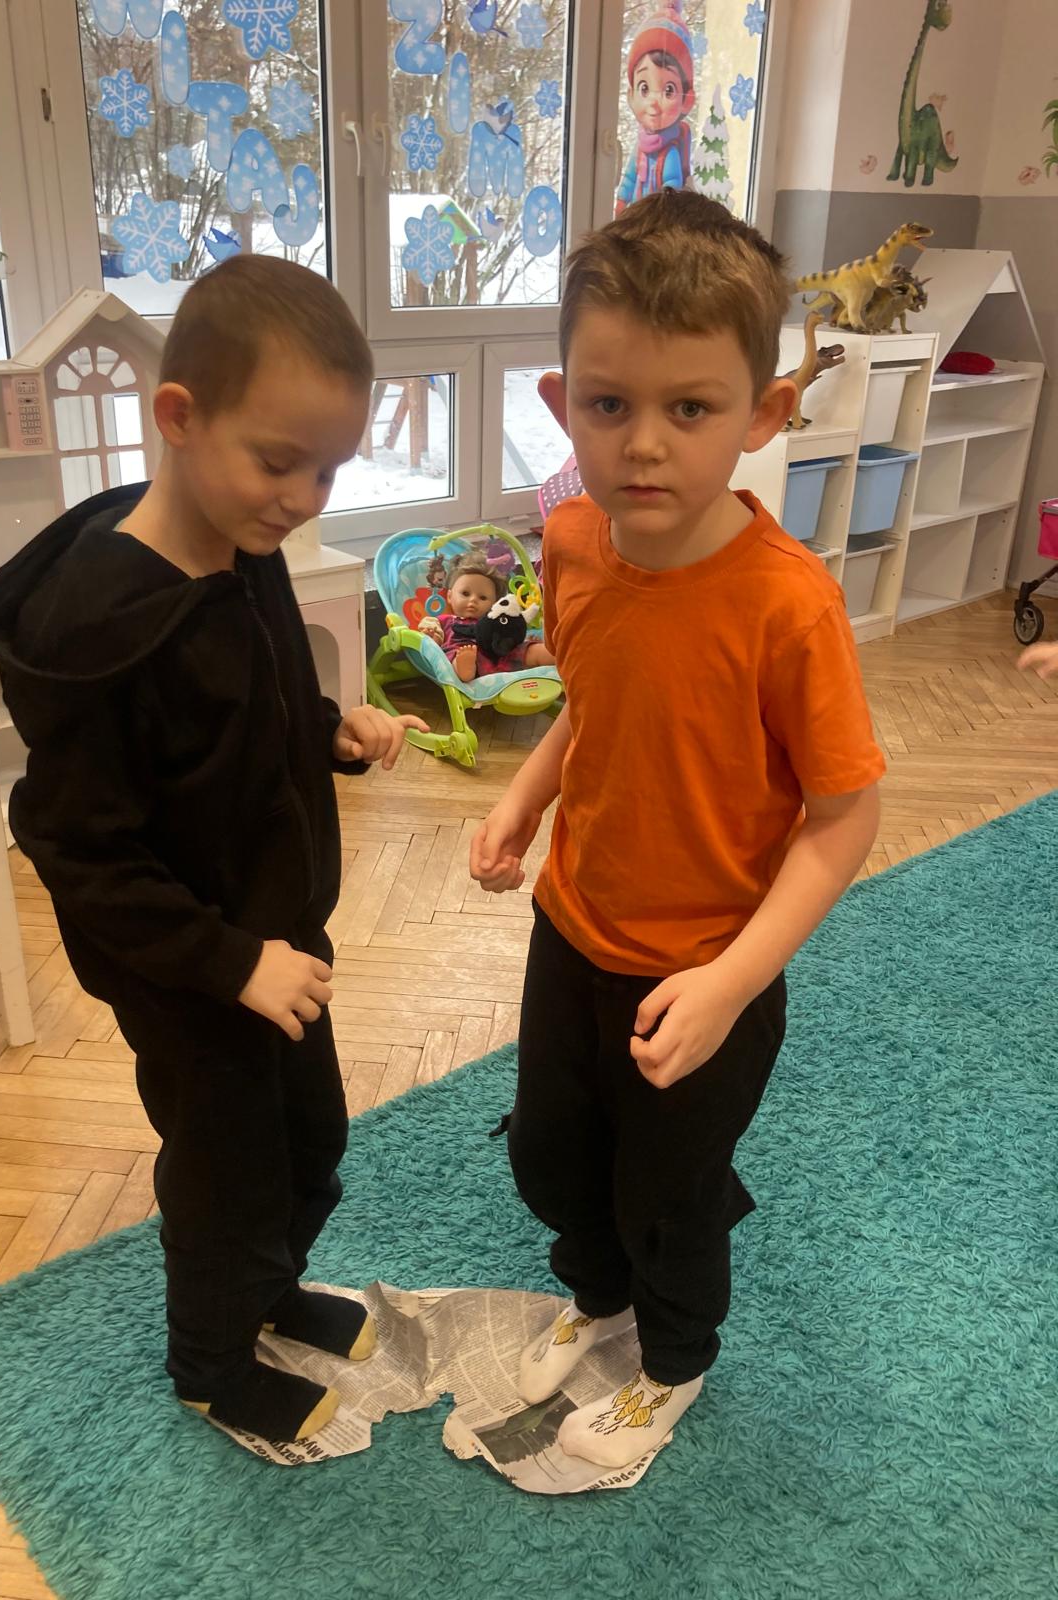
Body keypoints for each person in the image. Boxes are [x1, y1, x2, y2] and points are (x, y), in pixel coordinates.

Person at [0, 255, 425, 1446]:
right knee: (227, 1172)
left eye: (329, 470)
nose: (303, 497)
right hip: (189, 970)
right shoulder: (101, 625)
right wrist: (230, 963)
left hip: (279, 937)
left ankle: (269, 1290)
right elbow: (77, 849)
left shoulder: (245, 543)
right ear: (179, 417)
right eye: (280, 462)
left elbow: (247, 706)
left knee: (310, 1144)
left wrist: (327, 730)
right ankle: (211, 1364)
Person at [470, 190, 885, 1470]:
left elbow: (845, 816)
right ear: (563, 404)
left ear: (763, 413)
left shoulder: (789, 608)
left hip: (709, 965)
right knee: (552, 1155)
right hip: (573, 928)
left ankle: (674, 1359)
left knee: (670, 1191)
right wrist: (524, 799)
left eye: (691, 409)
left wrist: (732, 980)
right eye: (610, 405)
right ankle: (598, 1299)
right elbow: (594, 703)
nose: (643, 445)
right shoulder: (570, 541)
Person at [417, 552, 554, 680]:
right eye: (465, 594)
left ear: (495, 603)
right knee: (454, 656)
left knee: (529, 650)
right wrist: (433, 634)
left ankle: (557, 657)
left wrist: (523, 641)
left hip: (500, 655)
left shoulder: (496, 619)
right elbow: (432, 630)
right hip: (467, 656)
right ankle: (464, 669)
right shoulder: (446, 620)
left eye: (482, 597)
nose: (473, 600)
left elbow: (509, 633)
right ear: (449, 596)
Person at [615, 2, 697, 215]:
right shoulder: (640, 148)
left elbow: (671, 187)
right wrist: (621, 202)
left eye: (668, 90)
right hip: (636, 220)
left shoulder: (670, 152)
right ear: (631, 95)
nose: (653, 102)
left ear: (686, 100)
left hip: (656, 223)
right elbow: (630, 178)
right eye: (644, 88)